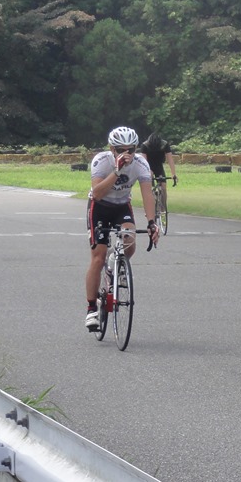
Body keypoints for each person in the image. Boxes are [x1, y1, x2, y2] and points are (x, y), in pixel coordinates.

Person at [84, 126, 159, 331]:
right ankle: (91, 308)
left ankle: (113, 266)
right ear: (111, 149)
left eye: (131, 149)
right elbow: (97, 193)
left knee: (130, 241)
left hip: (121, 206)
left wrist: (152, 223)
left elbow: (147, 195)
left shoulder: (140, 163)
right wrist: (116, 171)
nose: (127, 154)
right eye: (120, 150)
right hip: (99, 207)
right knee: (97, 257)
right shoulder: (101, 161)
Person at [141, 132, 178, 200]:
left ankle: (163, 205)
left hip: (159, 166)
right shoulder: (145, 145)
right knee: (150, 181)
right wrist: (148, 171)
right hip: (148, 166)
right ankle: (151, 197)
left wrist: (173, 174)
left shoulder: (164, 144)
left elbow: (170, 160)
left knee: (163, 187)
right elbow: (144, 162)